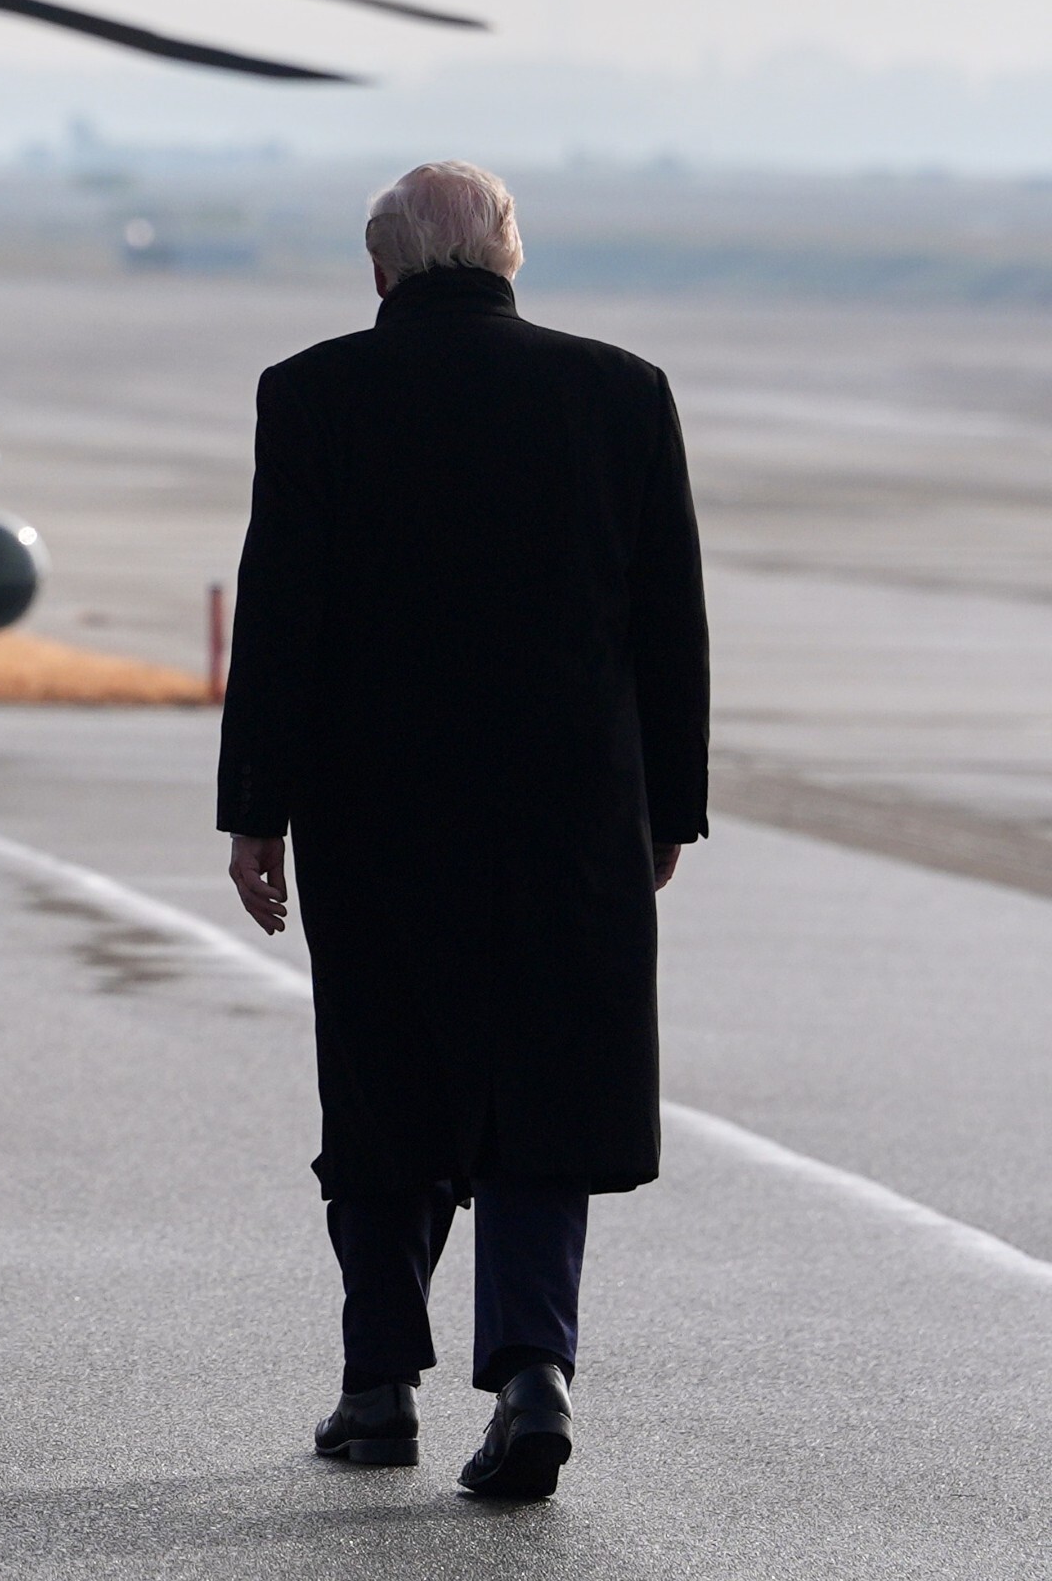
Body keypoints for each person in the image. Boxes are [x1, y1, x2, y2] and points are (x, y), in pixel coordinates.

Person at [215, 161, 708, 1502]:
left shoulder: (313, 394)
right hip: (570, 809)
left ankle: (378, 1390)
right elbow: (665, 624)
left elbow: (282, 621)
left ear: (382, 274)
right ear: (510, 258)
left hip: (377, 811)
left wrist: (254, 809)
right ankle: (533, 1370)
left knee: (387, 1086)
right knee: (552, 1093)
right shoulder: (621, 392)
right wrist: (672, 806)